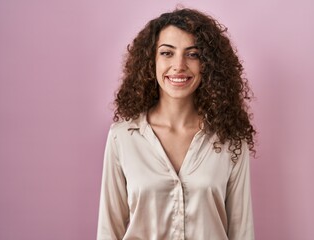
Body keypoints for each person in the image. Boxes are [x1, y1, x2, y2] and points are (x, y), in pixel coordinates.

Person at [97, 7, 256, 240]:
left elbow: (242, 231)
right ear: (151, 61)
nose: (179, 65)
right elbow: (108, 231)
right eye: (167, 53)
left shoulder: (230, 139)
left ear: (208, 65)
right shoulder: (122, 137)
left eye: (193, 54)